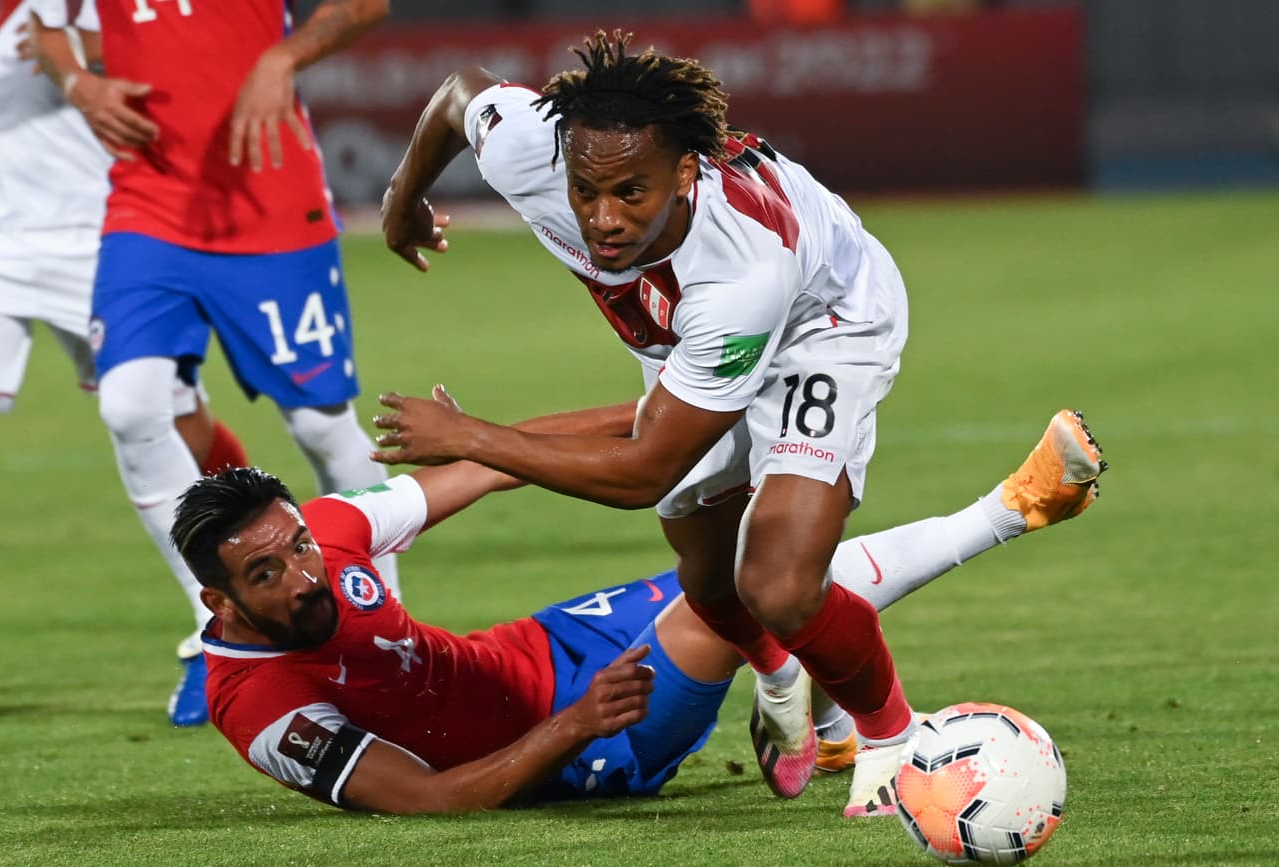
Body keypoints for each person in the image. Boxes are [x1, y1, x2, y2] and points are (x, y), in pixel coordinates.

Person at [377, 32, 1109, 815]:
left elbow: (645, 471)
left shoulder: (741, 269)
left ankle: (891, 742)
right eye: (586, 191)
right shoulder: (535, 149)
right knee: (707, 578)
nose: (603, 217)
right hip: (682, 341)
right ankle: (781, 674)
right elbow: (459, 94)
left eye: (630, 193)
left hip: (822, 325)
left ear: (684, 173)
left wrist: (471, 439)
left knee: (779, 582)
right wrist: (402, 198)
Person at [172, 399, 1105, 814]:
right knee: (740, 596)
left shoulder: (329, 533)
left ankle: (823, 727)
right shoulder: (260, 709)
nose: (305, 577)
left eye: (299, 548)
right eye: (268, 575)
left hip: (543, 644)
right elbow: (424, 799)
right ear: (218, 599)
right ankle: (1013, 508)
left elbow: (491, 465)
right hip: (576, 743)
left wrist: (675, 406)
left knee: (746, 576)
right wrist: (574, 725)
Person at [29, 0, 393, 726]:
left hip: (269, 198)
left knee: (323, 430)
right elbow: (43, 25)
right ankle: (218, 631)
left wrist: (282, 58)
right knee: (130, 406)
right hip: (148, 205)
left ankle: (379, 635)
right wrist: (78, 83)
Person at [2, 0, 250, 727]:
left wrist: (81, 54)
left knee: (171, 419)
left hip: (104, 232)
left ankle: (229, 617)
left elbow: (173, 55)